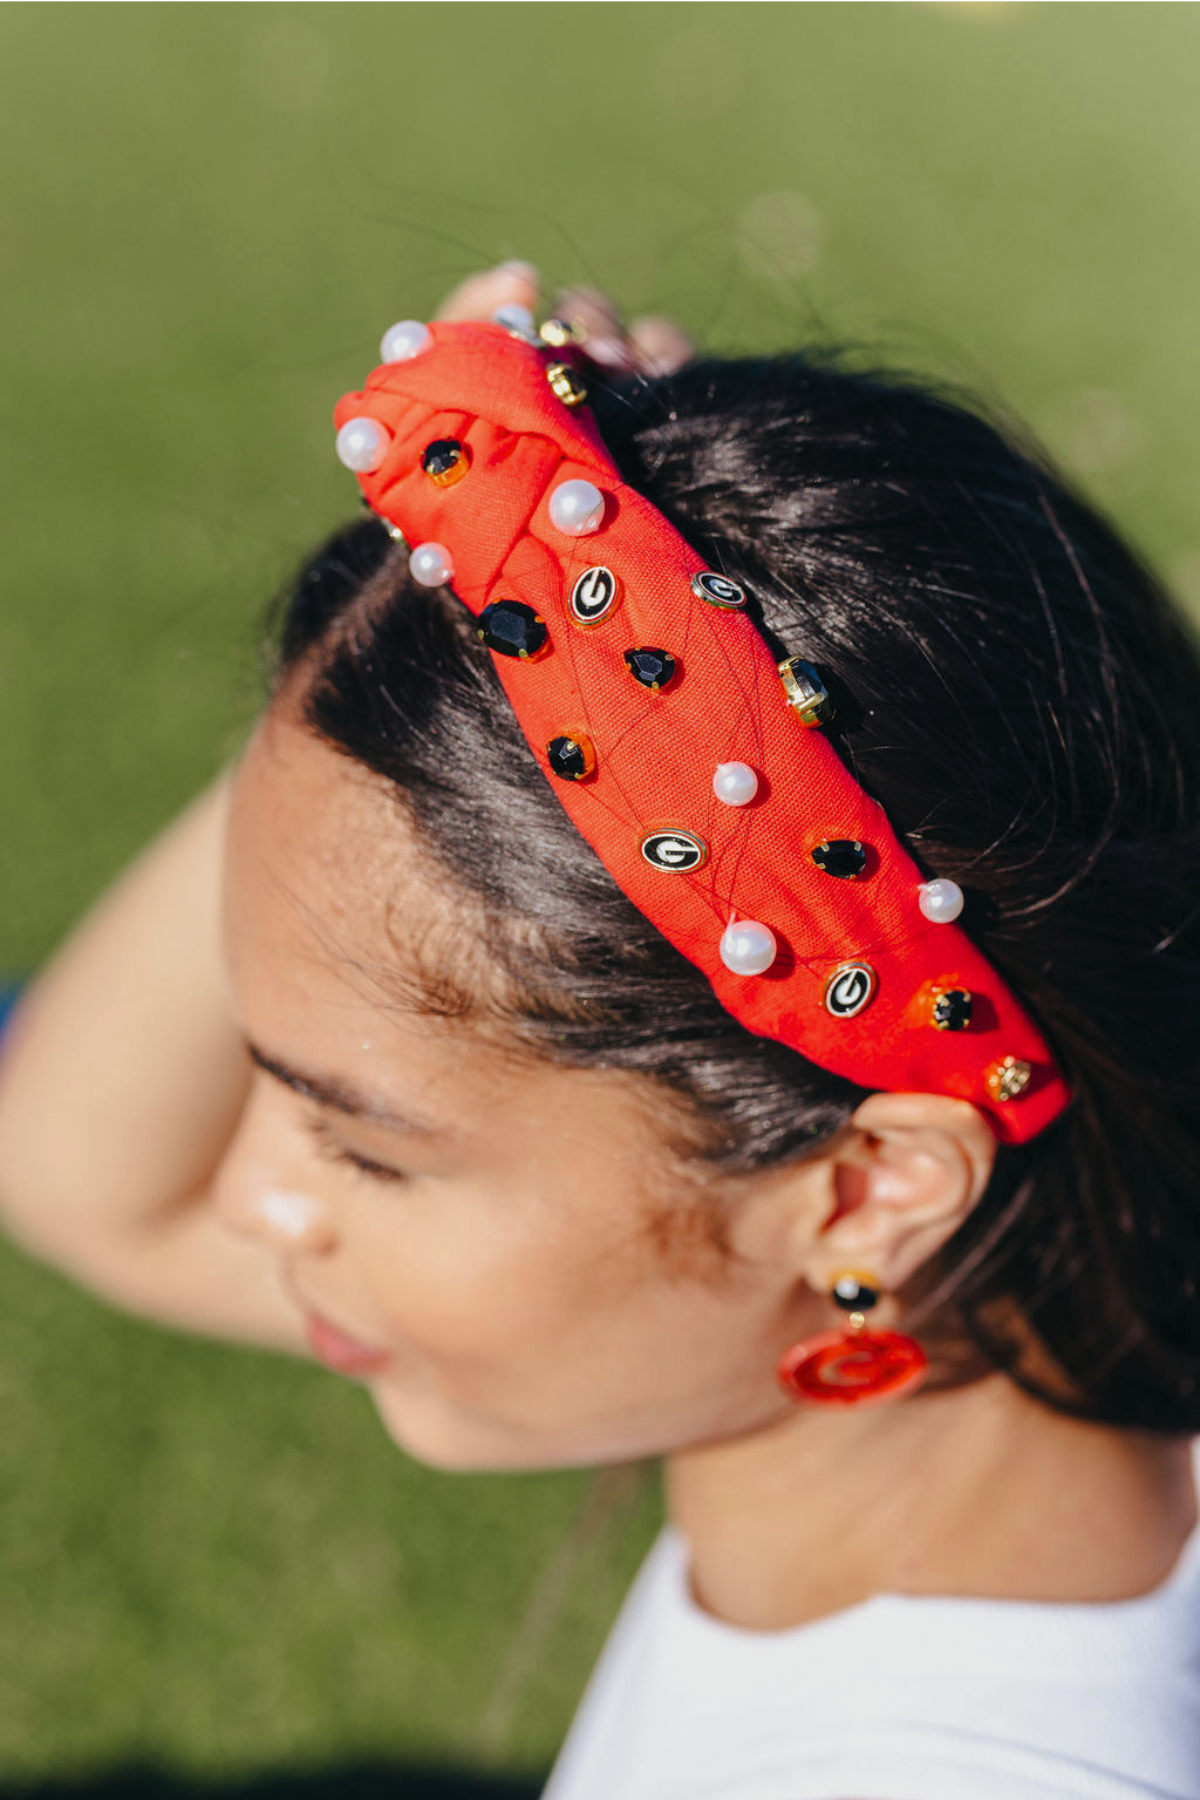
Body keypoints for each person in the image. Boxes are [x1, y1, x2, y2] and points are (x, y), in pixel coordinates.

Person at [1, 261, 1199, 1800]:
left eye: (364, 1148)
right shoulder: (971, 1359)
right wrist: (420, 636)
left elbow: (107, 1192)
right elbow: (84, 1169)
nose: (252, 1193)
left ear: (865, 1191)